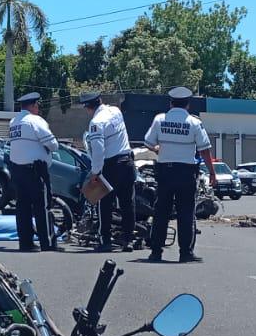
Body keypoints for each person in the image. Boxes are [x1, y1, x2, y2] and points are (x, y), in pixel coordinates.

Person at [144, 86, 215, 263]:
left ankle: (156, 252)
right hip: (186, 173)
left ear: (171, 103)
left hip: (165, 172)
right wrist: (212, 172)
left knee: (161, 212)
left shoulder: (160, 119)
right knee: (186, 213)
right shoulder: (194, 123)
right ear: (188, 105)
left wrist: (158, 149)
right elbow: (205, 150)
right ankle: (185, 252)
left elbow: (148, 142)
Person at [80, 91, 136, 252]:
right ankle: (128, 240)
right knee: (127, 204)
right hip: (127, 162)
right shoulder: (115, 111)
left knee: (104, 204)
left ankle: (105, 240)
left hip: (110, 166)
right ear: (100, 100)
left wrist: (95, 172)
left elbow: (98, 150)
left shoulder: (96, 123)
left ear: (87, 108)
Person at [8, 92, 60, 252]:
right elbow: (53, 144)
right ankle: (47, 243)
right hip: (35, 171)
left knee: (22, 208)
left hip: (17, 170)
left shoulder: (13, 122)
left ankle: (26, 243)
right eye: (37, 105)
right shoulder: (35, 121)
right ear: (32, 106)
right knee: (42, 206)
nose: (38, 108)